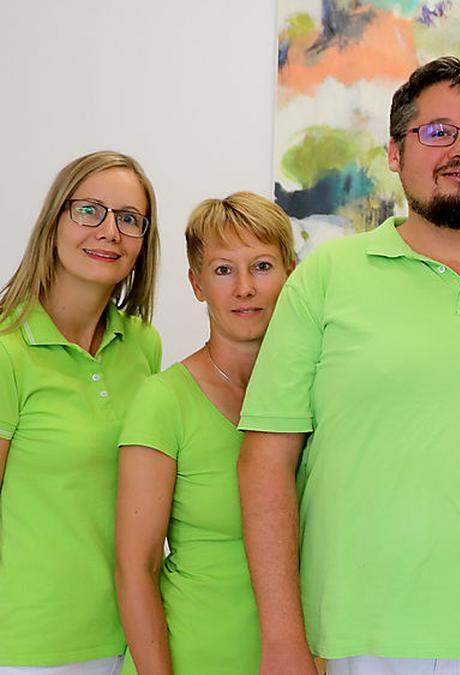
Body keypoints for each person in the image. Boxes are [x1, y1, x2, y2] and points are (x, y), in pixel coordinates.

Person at [237, 56, 460, 674]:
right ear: (396, 154)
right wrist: (282, 639)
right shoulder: (327, 277)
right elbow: (266, 462)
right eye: (437, 132)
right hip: (362, 638)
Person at [114, 193, 296, 674]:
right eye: (222, 270)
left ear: (292, 273)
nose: (243, 289)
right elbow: (137, 568)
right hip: (191, 655)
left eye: (261, 266)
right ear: (196, 283)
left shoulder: (315, 395)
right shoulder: (162, 400)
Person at [0, 151, 161, 673]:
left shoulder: (143, 346)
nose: (109, 232)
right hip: (28, 646)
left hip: (130, 638)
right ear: (55, 221)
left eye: (129, 219)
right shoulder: (7, 350)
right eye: (90, 210)